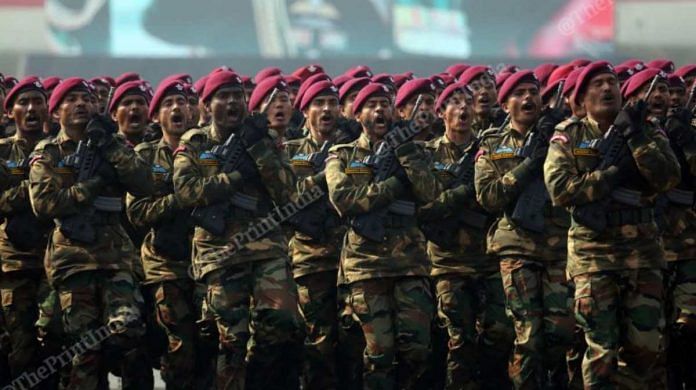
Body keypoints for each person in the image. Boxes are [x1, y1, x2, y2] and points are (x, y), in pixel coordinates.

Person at [544, 61, 681, 388]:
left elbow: (668, 178)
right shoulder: (568, 135)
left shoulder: (646, 128)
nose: (607, 89)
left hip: (642, 254)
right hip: (593, 257)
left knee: (644, 349)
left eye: (611, 83)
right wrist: (609, 176)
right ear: (581, 98)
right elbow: (560, 190)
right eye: (597, 84)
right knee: (602, 350)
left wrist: (635, 136)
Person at [172, 70, 302, 389]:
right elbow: (186, 191)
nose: (232, 102)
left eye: (237, 96)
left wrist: (260, 150)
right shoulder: (195, 143)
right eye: (223, 96)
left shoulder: (263, 138)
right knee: (232, 338)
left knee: (282, 321)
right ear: (207, 104)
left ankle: (258, 379)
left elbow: (288, 192)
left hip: (266, 248)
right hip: (219, 253)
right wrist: (233, 179)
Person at [28, 77, 154, 389]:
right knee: (84, 349)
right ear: (56, 112)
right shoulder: (49, 153)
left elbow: (144, 183)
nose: (81, 103)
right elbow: (44, 203)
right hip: (73, 261)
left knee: (129, 331)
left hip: (116, 259)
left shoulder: (113, 146)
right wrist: (91, 186)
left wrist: (110, 146)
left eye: (85, 98)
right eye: (71, 99)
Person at [325, 82, 441, 388]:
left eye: (385, 104)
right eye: (372, 105)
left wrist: (404, 150)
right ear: (359, 113)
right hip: (365, 265)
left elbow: (430, 194)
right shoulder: (343, 155)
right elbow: (344, 200)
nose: (380, 110)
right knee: (379, 354)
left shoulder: (414, 151)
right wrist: (390, 187)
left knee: (416, 350)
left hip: (411, 264)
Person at [475, 70, 575, 389]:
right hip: (517, 248)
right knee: (528, 336)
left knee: (561, 333)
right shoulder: (492, 142)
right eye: (519, 93)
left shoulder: (562, 134)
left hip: (558, 247)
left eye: (533, 92)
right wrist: (529, 163)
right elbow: (489, 196)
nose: (528, 98)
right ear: (505, 104)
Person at [420, 82, 514, 389]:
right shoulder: (427, 154)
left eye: (467, 103)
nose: (462, 109)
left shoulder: (490, 149)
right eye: (454, 103)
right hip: (448, 263)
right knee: (459, 338)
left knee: (501, 330)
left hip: (488, 258)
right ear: (441, 112)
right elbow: (426, 203)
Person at [126, 78, 199, 389]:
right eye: (168, 103)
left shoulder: (208, 150)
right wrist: (182, 198)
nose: (176, 108)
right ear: (156, 116)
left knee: (213, 346)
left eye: (182, 102)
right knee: (180, 349)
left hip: (210, 261)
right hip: (165, 266)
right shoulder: (145, 156)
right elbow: (137, 211)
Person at [0, 77, 58, 386]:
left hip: (56, 261)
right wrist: (34, 186)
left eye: (38, 101)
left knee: (56, 341)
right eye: (24, 102)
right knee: (20, 347)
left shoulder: (61, 149)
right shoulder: (3, 152)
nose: (32, 108)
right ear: (10, 112)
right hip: (15, 263)